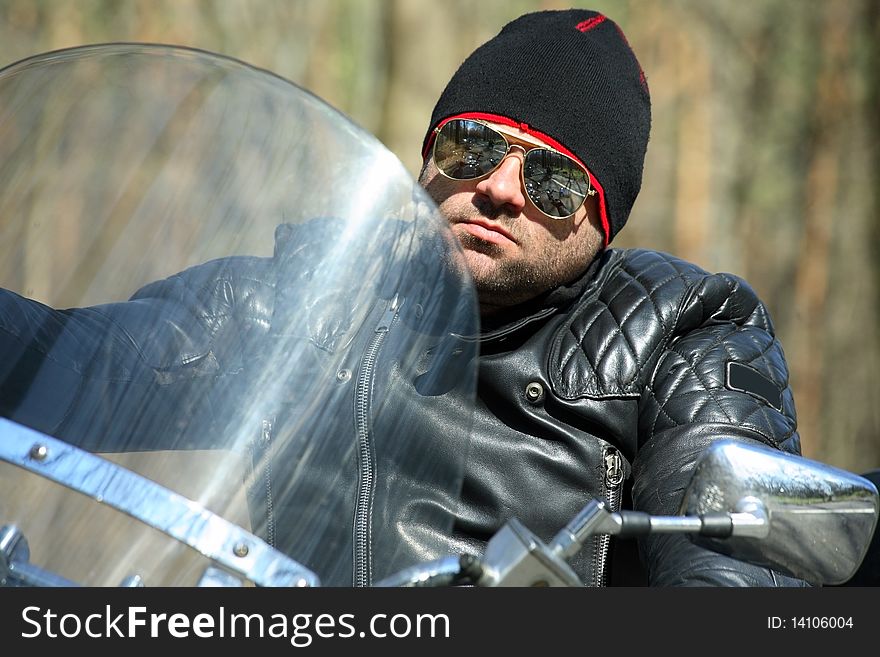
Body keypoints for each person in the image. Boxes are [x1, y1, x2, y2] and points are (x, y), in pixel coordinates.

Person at [0, 8, 809, 587]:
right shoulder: (319, 292)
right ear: (429, 159)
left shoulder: (684, 331)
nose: (495, 187)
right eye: (473, 143)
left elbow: (733, 546)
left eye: (553, 179)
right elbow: (80, 366)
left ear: (601, 219)